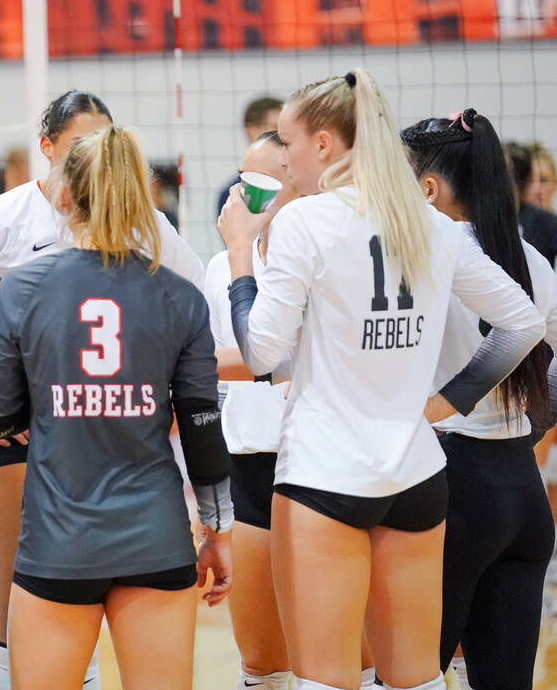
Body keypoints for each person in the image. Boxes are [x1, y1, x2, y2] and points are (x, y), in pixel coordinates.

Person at [218, 68, 545, 690]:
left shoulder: (305, 222)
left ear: (322, 144)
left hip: (325, 472)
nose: (283, 162)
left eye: (286, 144)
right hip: (417, 474)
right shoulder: (431, 225)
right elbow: (522, 323)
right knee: (416, 680)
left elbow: (260, 352)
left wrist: (240, 253)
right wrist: (448, 403)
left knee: (326, 679)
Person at [0, 90, 204, 690]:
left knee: (53, 637)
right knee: (16, 640)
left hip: (115, 445)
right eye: (78, 148)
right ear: (49, 153)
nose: (93, 161)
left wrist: (169, 400)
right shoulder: (2, 220)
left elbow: (205, 323)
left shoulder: (155, 236)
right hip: (29, 444)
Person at [403, 109, 557, 688]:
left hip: (453, 485)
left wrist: (443, 406)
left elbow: (511, 332)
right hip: (522, 494)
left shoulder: (423, 260)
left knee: (409, 675)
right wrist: (536, 422)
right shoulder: (530, 258)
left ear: (428, 187)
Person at [216, 96, 284, 218]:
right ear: (251, 131)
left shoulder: (305, 184)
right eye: (275, 128)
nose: (283, 135)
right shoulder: (234, 194)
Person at [508, 141, 557, 265]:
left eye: (543, 180)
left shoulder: (551, 224)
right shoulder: (509, 224)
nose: (536, 189)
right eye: (530, 181)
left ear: (554, 184)